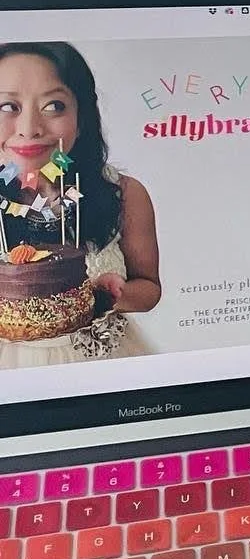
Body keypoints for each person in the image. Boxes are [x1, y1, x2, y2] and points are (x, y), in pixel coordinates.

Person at [0, 42, 160, 364]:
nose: (29, 128)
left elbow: (149, 289)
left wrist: (115, 294)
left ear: (82, 115)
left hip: (103, 362)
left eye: (54, 105)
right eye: (7, 107)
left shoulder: (122, 192)